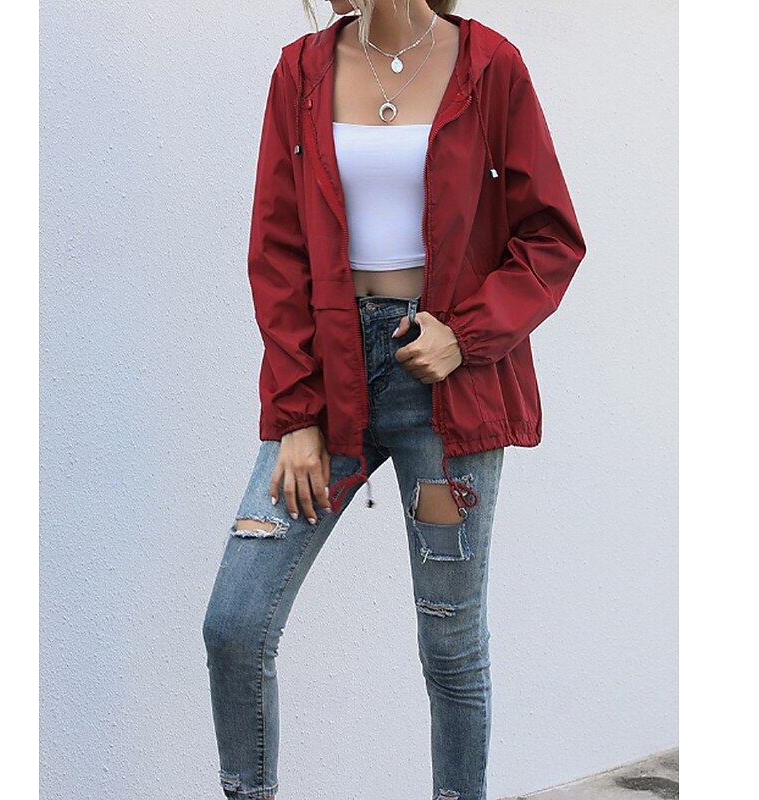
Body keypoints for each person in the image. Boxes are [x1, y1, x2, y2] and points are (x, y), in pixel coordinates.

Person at [202, 1, 586, 798]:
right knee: (235, 623)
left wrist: (466, 335)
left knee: (450, 644)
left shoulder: (491, 67)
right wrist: (296, 417)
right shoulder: (301, 73)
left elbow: (550, 237)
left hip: (444, 397)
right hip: (328, 385)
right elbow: (276, 250)